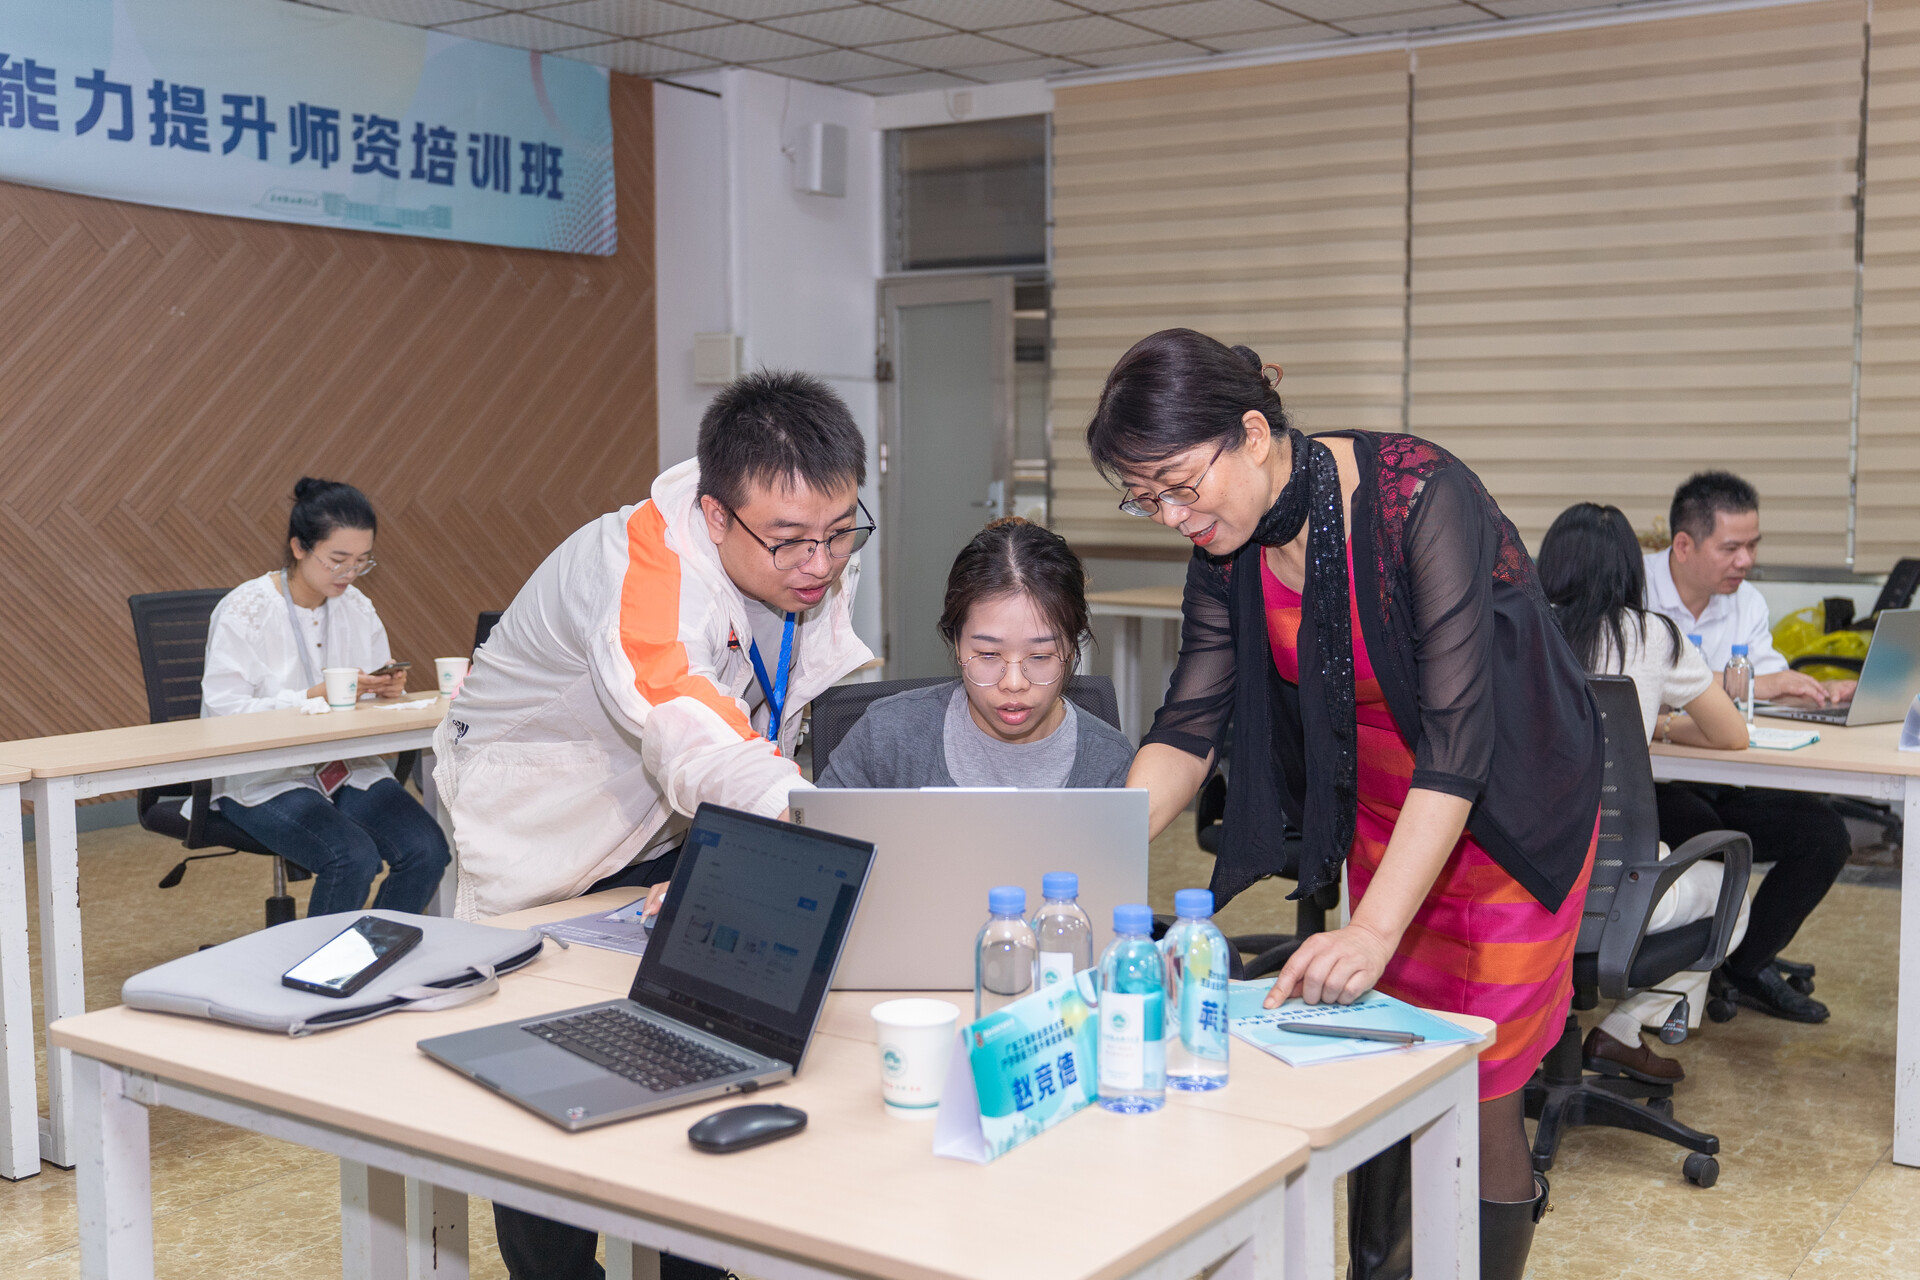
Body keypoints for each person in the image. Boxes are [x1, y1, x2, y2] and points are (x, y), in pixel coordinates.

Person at [1086, 329, 1602, 1280]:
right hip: (1388, 812)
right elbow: (1188, 727)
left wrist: (1369, 929)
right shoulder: (1226, 544)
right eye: (1145, 497)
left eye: (1179, 485)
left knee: (1480, 1076)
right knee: (1388, 1056)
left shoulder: (1418, 498)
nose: (1171, 516)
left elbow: (1459, 741)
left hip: (1505, 810)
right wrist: (1087, 847)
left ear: (1251, 433)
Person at [433, 370, 874, 1280]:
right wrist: (815, 829)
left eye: (840, 532)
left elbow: (771, 713)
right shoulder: (640, 564)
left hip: (687, 810)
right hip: (547, 825)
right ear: (716, 516)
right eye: (792, 541)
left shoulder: (805, 541)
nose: (821, 563)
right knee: (544, 1071)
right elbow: (685, 719)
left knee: (705, 1038)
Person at [1537, 502, 1750, 1084]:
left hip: (1523, 887)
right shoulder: (1654, 636)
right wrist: (1653, 724)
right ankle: (1624, 1029)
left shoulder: (1512, 630)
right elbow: (1731, 734)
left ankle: (1533, 1035)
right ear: (1631, 570)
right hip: (1617, 890)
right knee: (1735, 893)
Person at [1643, 471, 1852, 1023]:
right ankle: (1681, 974)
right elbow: (1633, 676)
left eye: (1753, 546)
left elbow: (1771, 685)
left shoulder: (1747, 601)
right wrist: (1750, 684)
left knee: (1825, 836)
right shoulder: (1634, 591)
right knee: (1711, 838)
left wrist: (1819, 693)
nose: (1746, 561)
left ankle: (1744, 963)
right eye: (1731, 547)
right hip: (1655, 783)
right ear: (1683, 545)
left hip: (1729, 775)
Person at [201, 478, 450, 916]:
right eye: (337, 560)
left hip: (345, 768)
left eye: (361, 561)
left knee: (427, 849)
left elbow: (368, 702)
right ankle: (324, 960)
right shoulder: (245, 610)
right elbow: (224, 713)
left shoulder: (357, 607)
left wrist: (386, 693)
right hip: (266, 775)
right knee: (352, 858)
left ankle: (377, 950)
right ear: (299, 547)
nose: (349, 574)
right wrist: (310, 698)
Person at [818, 518, 1133, 789]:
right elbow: (815, 832)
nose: (1013, 683)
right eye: (988, 654)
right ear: (957, 643)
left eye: (1039, 656)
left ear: (1071, 647)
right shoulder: (887, 737)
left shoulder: (1110, 761)